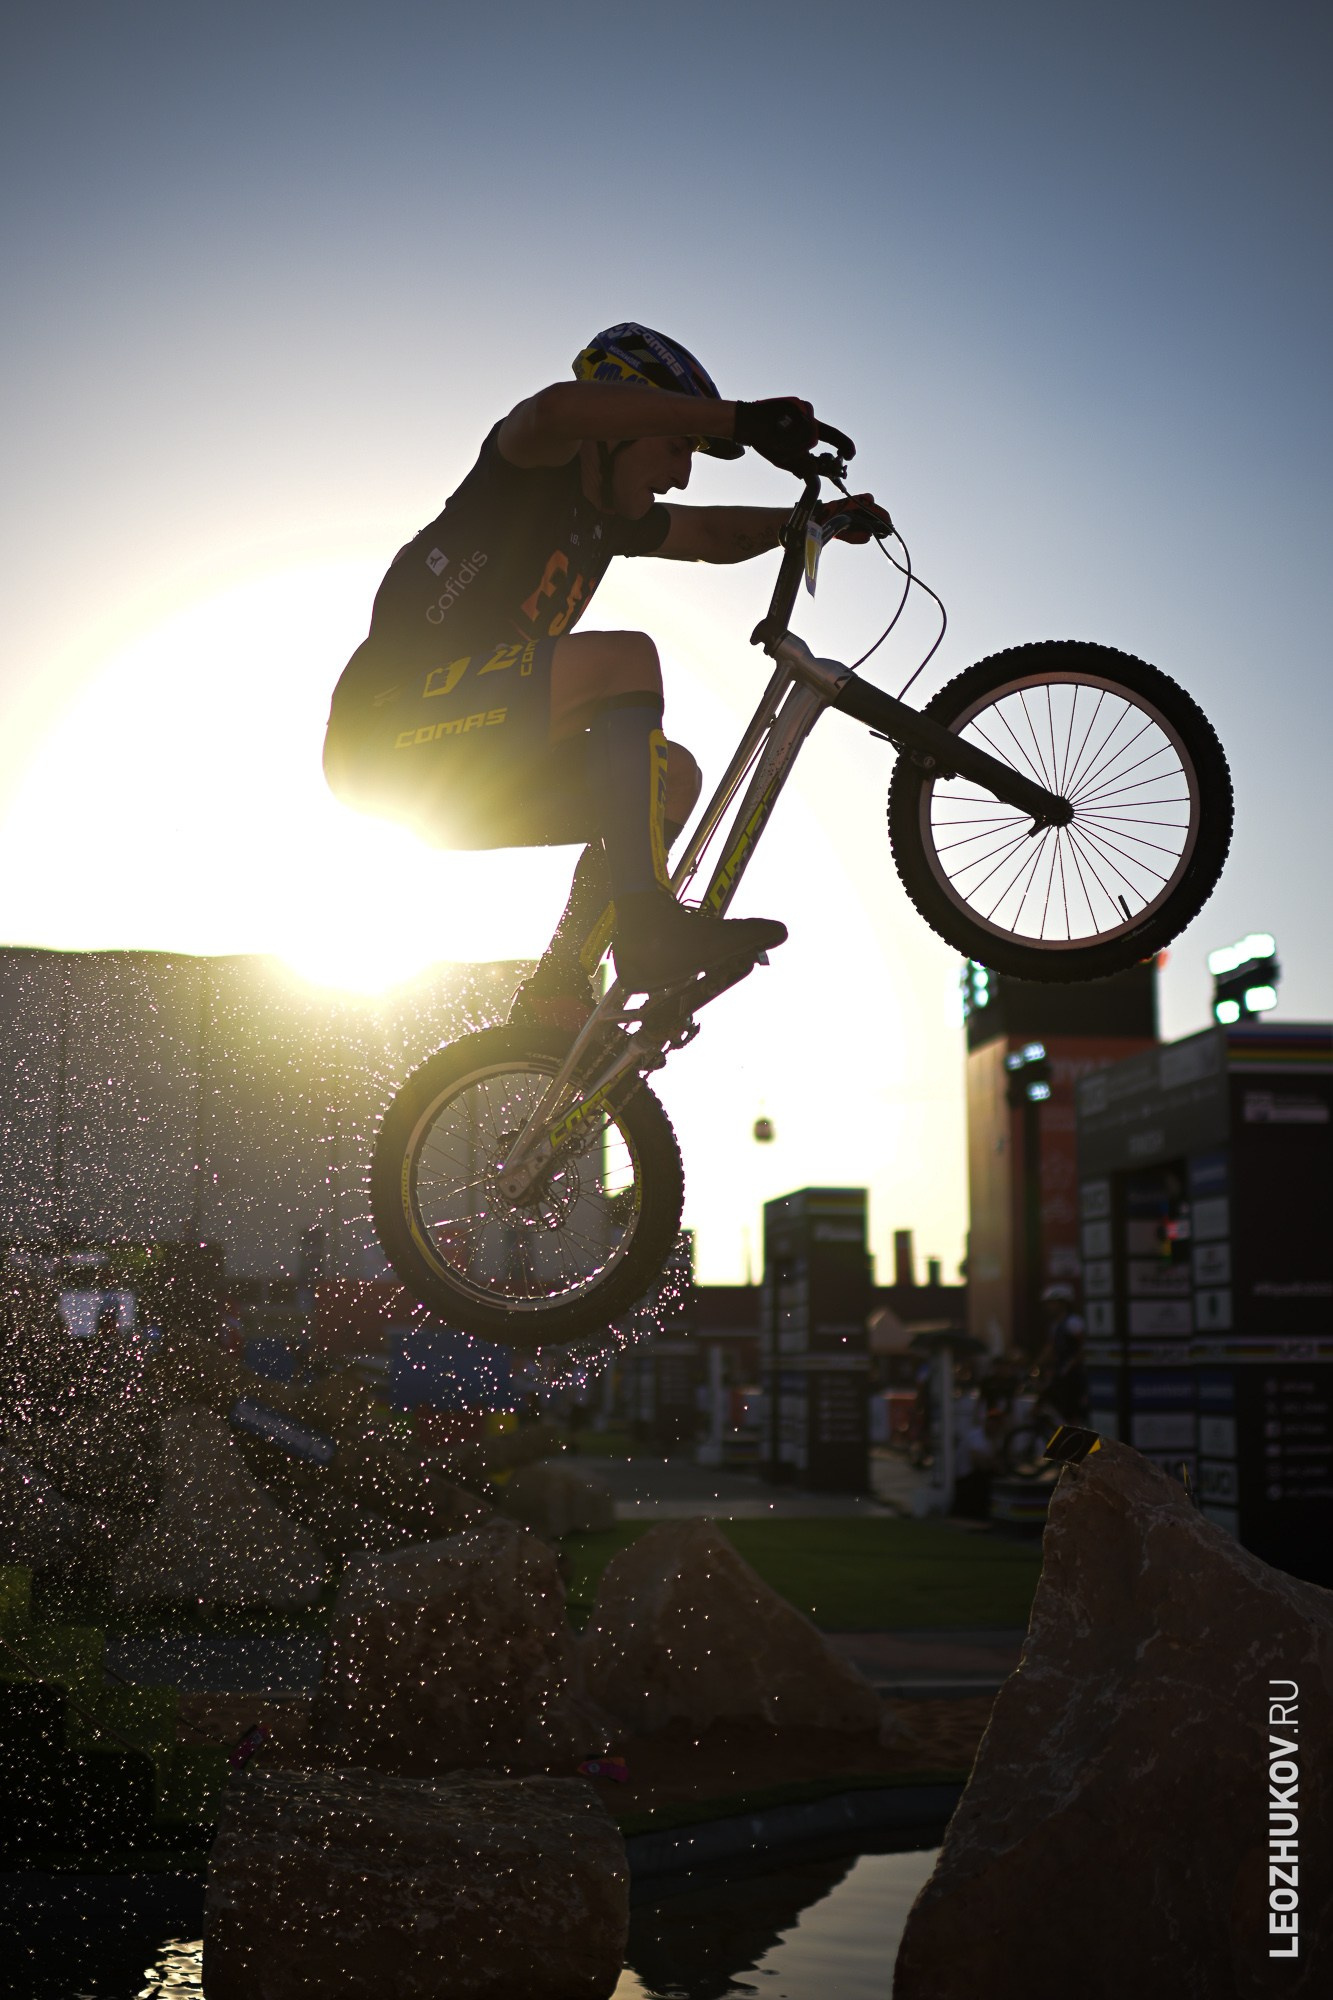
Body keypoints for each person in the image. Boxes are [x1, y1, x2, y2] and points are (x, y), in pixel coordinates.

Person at [323, 323, 889, 1024]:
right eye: (675, 445)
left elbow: (710, 536)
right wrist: (739, 420)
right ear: (620, 420)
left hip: (463, 768)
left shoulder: (609, 520)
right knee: (624, 657)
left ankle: (555, 995)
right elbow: (559, 409)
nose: (681, 473)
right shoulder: (531, 462)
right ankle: (647, 929)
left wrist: (814, 520)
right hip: (385, 731)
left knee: (670, 775)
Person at [1038, 1283, 1089, 1425]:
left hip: (1073, 1375)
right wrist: (1036, 1365)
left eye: (1052, 1303)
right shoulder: (1056, 1325)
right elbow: (1051, 1348)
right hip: (1062, 1373)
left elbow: (1084, 1346)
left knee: (1072, 1412)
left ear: (1063, 1303)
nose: (1049, 1306)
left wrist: (1071, 1364)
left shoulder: (1074, 1322)